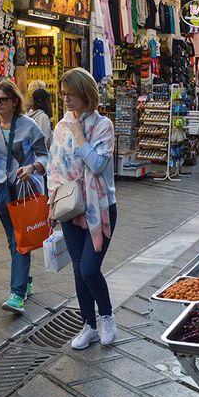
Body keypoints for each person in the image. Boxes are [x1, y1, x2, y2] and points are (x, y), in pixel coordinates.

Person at [47, 68, 118, 349]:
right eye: (63, 94)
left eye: (71, 94)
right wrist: (51, 203)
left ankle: (107, 317)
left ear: (85, 94)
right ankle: (88, 324)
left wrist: (79, 134)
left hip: (99, 207)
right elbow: (54, 167)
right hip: (69, 206)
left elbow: (98, 165)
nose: (65, 99)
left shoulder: (103, 126)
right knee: (78, 270)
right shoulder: (60, 126)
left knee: (89, 269)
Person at [0, 80, 49, 314]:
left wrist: (33, 167)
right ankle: (24, 283)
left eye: (3, 99)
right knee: (15, 240)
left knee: (19, 242)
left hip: (24, 190)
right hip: (0, 190)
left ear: (14, 101)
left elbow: (45, 156)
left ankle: (17, 293)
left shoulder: (28, 126)